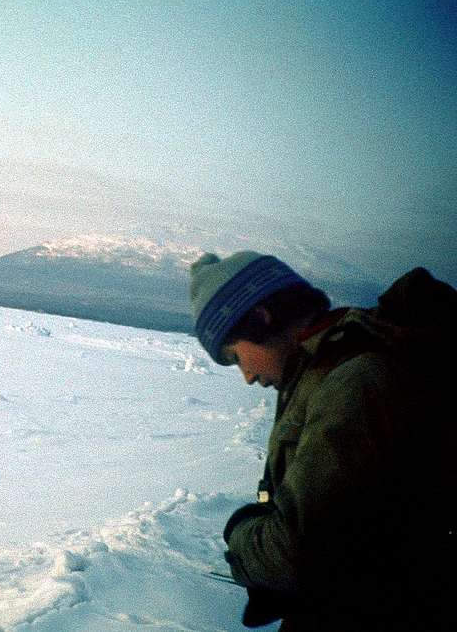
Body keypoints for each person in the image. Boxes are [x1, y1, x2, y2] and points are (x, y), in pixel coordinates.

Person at [189, 251, 454, 630]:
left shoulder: (352, 381)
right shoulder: (323, 370)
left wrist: (241, 530)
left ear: (263, 317)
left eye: (235, 357)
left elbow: (300, 554)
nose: (246, 376)